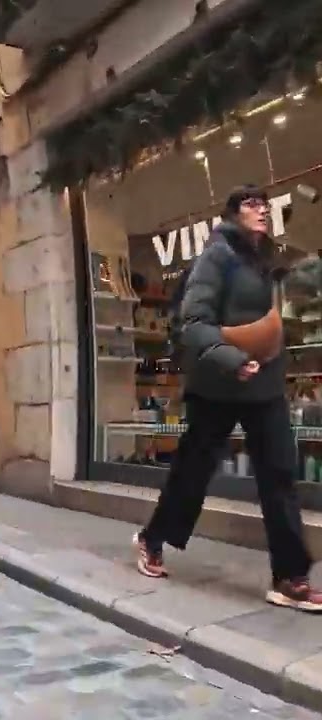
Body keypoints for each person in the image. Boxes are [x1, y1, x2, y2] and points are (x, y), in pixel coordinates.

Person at [133, 186, 320, 612]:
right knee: (193, 472)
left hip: (263, 383)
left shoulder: (266, 259)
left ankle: (290, 578)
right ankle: (152, 538)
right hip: (218, 384)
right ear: (233, 214)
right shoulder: (217, 256)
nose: (261, 210)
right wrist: (232, 359)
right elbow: (193, 322)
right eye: (251, 204)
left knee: (279, 474)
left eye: (264, 204)